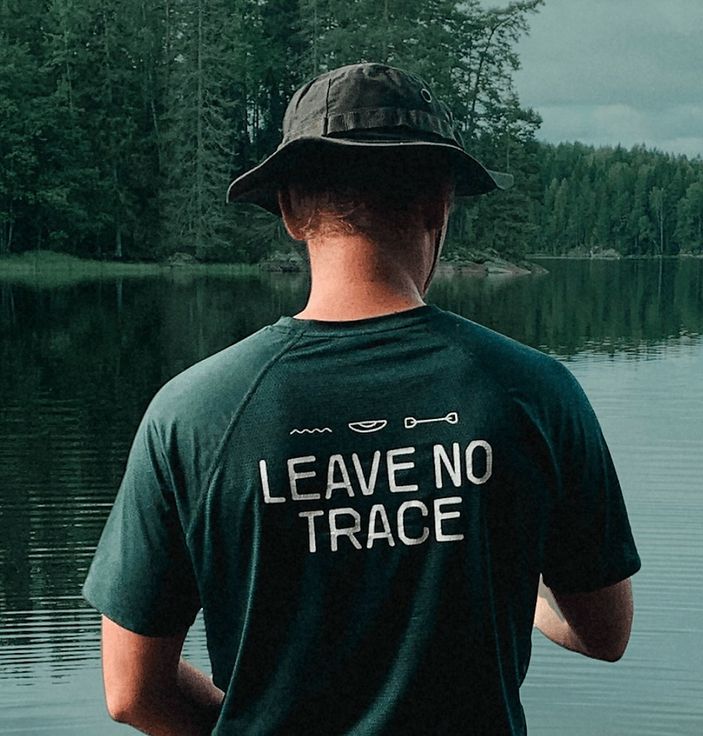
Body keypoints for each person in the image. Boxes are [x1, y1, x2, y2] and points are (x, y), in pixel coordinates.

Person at [83, 62, 641, 735]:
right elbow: (605, 633)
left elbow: (131, 693)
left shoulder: (193, 413)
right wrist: (527, 598)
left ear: (289, 211)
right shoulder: (535, 392)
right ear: (440, 202)